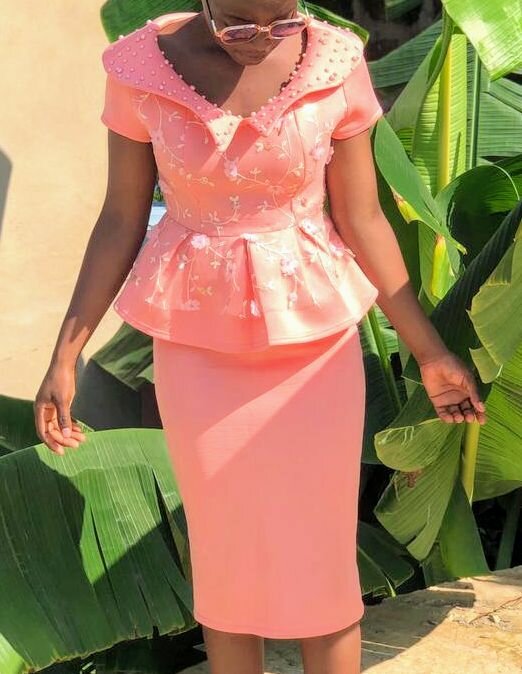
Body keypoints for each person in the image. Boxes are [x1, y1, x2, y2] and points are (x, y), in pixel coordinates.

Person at [34, 1, 487, 672]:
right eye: (238, 25)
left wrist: (430, 352)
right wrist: (65, 355)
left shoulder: (333, 60)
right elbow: (122, 216)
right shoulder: (140, 69)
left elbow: (363, 217)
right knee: (226, 557)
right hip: (197, 350)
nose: (261, 42)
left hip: (316, 349)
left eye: (282, 22)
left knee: (320, 557)